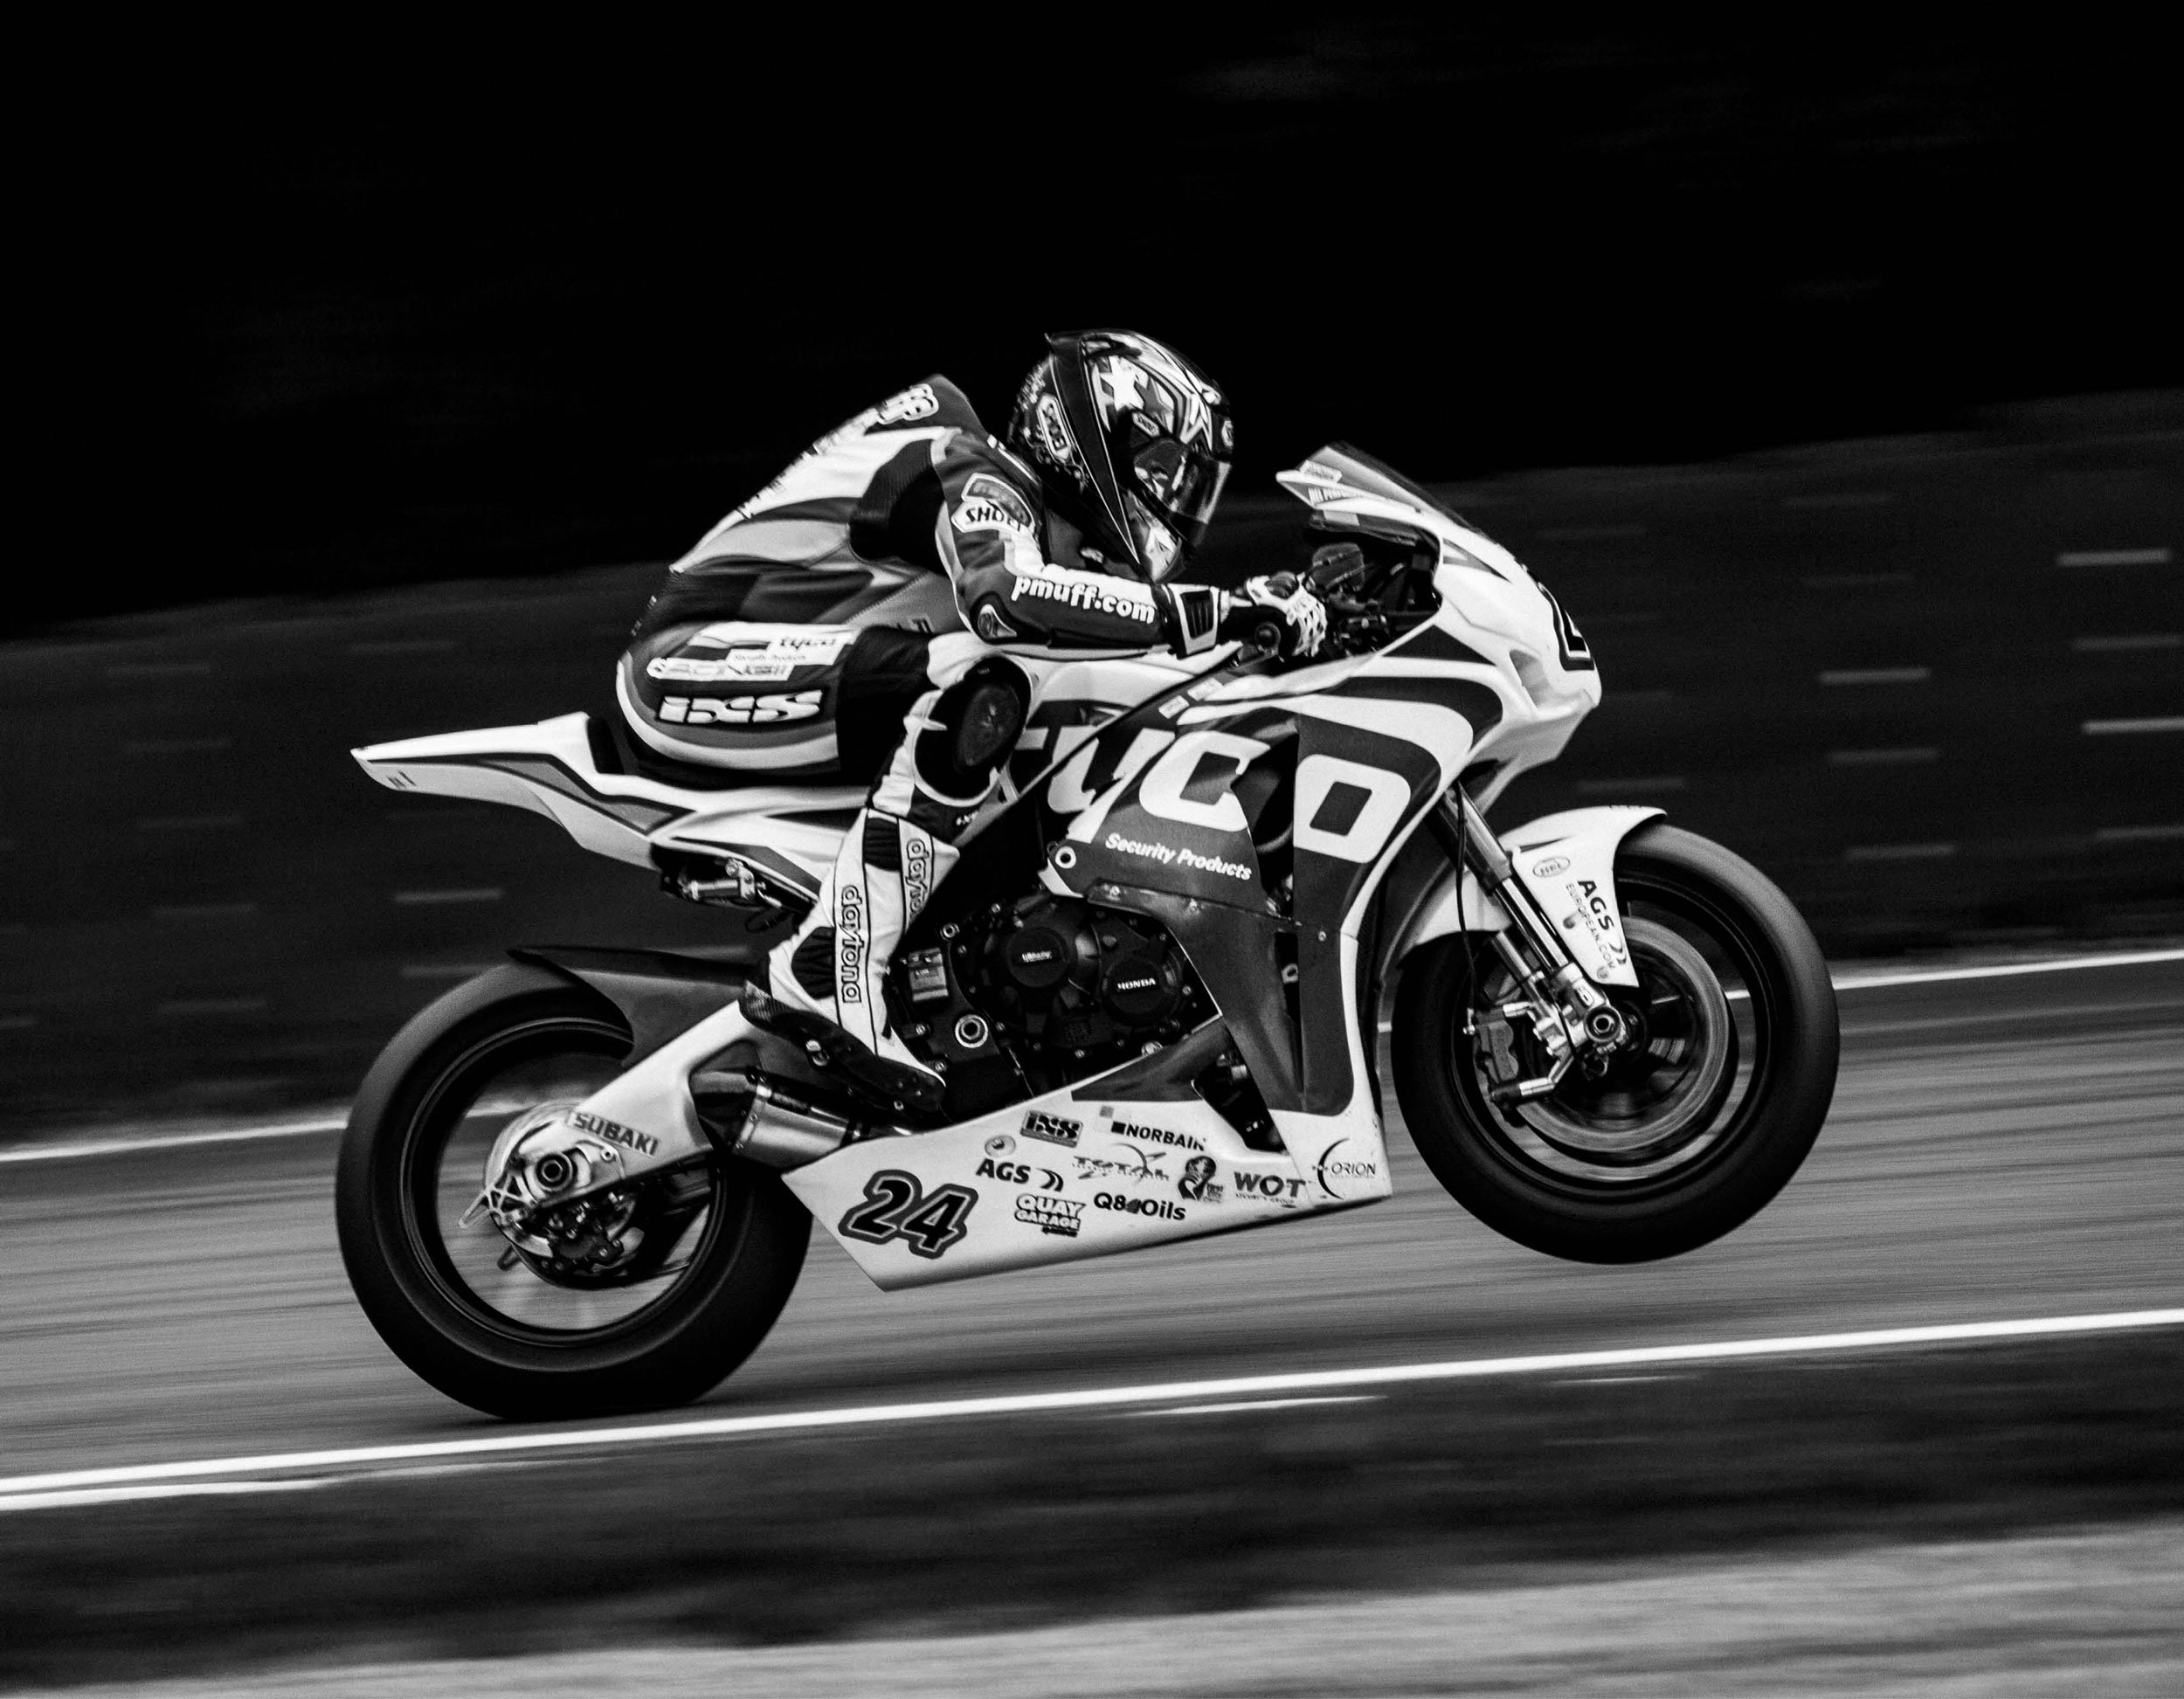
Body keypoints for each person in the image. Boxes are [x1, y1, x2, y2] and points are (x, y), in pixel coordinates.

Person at [617, 330, 1328, 1095]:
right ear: (1086, 433)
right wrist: (1221, 612)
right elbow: (1008, 601)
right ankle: (830, 966)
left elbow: (1105, 633)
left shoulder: (1031, 521)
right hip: (686, 664)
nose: (1176, 505)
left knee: (1047, 685)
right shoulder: (973, 467)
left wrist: (1266, 631)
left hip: (807, 674)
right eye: (1160, 473)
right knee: (986, 677)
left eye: (1191, 488)